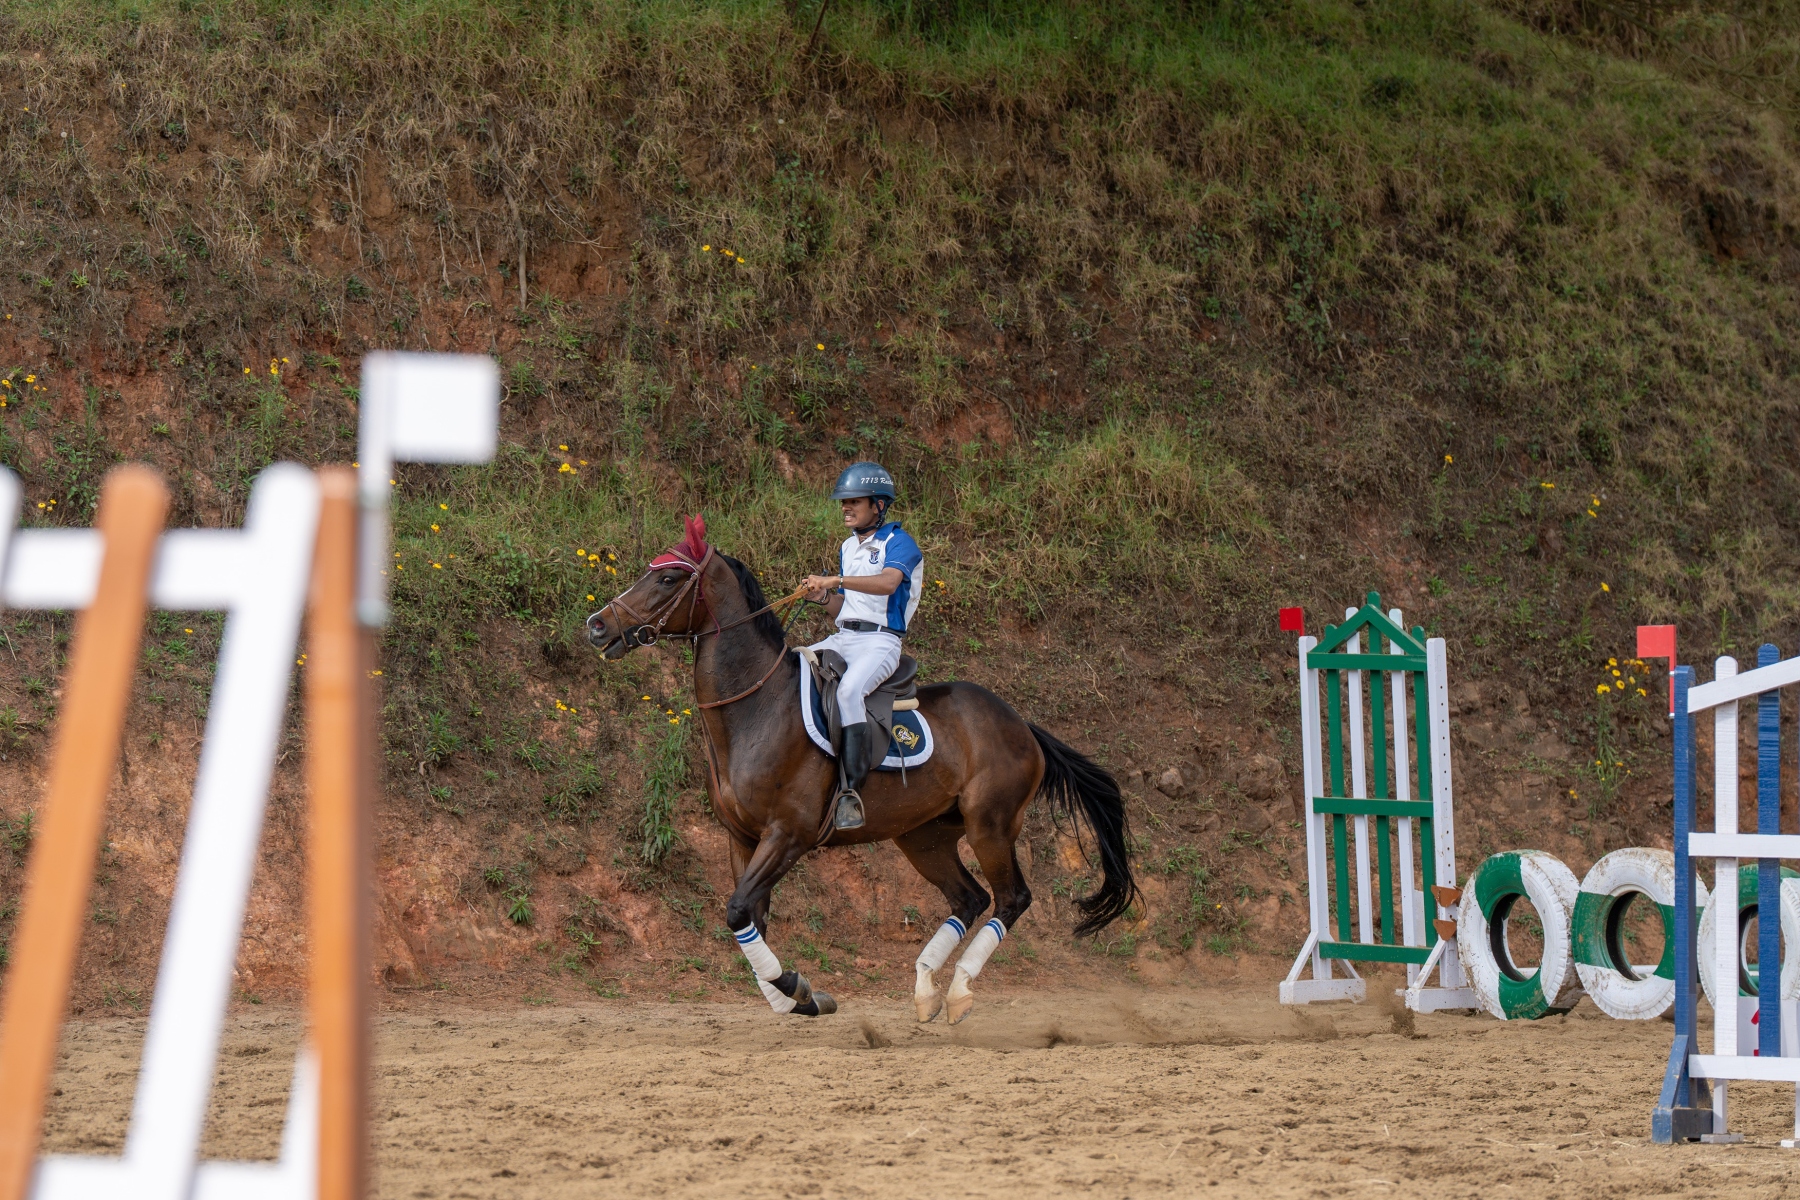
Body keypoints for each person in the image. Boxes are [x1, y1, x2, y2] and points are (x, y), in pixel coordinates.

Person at [800, 461, 923, 830]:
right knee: (796, 664)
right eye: (844, 502)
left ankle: (851, 792)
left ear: (878, 505)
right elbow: (846, 609)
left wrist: (835, 580)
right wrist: (823, 597)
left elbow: (887, 584)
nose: (846, 507)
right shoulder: (847, 546)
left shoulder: (898, 542)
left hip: (880, 642)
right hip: (845, 636)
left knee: (850, 691)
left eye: (854, 501)